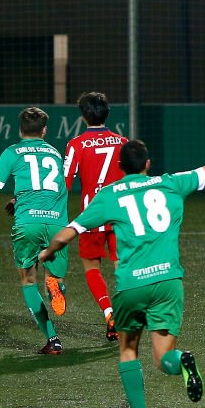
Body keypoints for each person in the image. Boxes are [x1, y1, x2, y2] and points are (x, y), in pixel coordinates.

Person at [39, 121, 205, 408]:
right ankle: (181, 362)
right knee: (163, 356)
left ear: (121, 167)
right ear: (148, 164)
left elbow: (70, 232)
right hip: (168, 282)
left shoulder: (110, 195)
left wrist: (47, 252)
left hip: (131, 286)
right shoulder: (170, 184)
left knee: (128, 351)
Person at [0, 107, 69, 355]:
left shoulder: (13, 152)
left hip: (28, 224)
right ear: (45, 130)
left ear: (20, 129)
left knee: (28, 280)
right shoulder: (55, 153)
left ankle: (53, 340)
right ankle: (56, 286)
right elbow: (57, 187)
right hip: (58, 225)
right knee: (55, 278)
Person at [63, 92, 129, 341]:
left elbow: (65, 184)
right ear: (107, 113)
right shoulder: (123, 142)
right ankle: (125, 314)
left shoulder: (76, 144)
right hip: (120, 215)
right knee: (122, 266)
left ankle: (109, 313)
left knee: (92, 266)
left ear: (83, 116)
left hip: (91, 216)